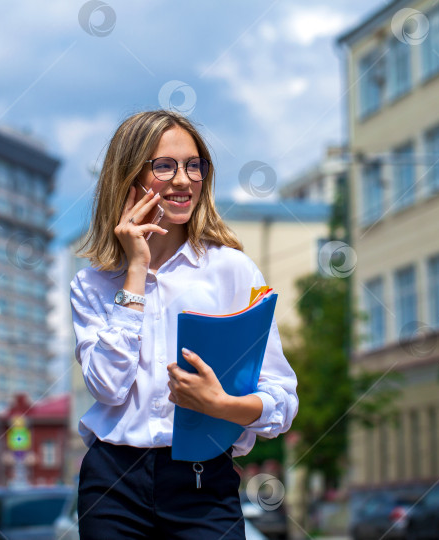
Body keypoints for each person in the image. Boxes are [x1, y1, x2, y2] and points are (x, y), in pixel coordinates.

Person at [70, 110, 299, 539]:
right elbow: (107, 386)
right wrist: (135, 271)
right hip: (112, 484)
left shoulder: (232, 271)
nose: (183, 179)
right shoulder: (91, 286)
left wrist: (221, 405)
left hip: (203, 482)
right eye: (164, 166)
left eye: (194, 165)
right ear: (128, 177)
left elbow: (281, 400)